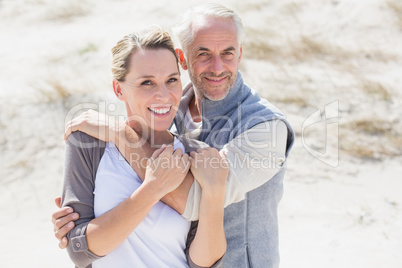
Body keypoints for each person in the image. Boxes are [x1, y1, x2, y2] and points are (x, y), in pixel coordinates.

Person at [53, 4, 295, 268]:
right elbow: (80, 244)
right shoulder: (170, 113)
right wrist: (79, 226)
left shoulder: (267, 128)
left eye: (227, 53)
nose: (217, 66)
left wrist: (122, 135)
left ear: (239, 54)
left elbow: (195, 202)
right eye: (203, 53)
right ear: (183, 58)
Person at [58, 26, 228, 268]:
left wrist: (214, 193)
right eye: (147, 82)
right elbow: (80, 251)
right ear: (119, 89)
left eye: (172, 80)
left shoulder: (194, 153)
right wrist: (153, 188)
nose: (164, 95)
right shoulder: (89, 143)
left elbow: (202, 263)